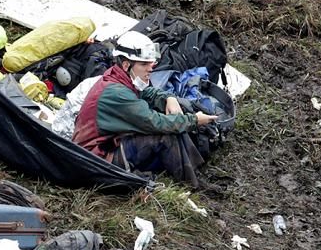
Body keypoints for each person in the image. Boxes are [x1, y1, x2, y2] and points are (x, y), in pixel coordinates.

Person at [72, 31, 218, 187]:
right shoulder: (117, 94)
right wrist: (194, 120)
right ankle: (193, 185)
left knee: (173, 121)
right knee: (165, 134)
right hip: (95, 162)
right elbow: (155, 122)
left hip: (107, 146)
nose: (150, 69)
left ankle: (193, 171)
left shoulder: (119, 77)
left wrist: (169, 98)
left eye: (150, 63)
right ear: (127, 64)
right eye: (143, 64)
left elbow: (147, 92)